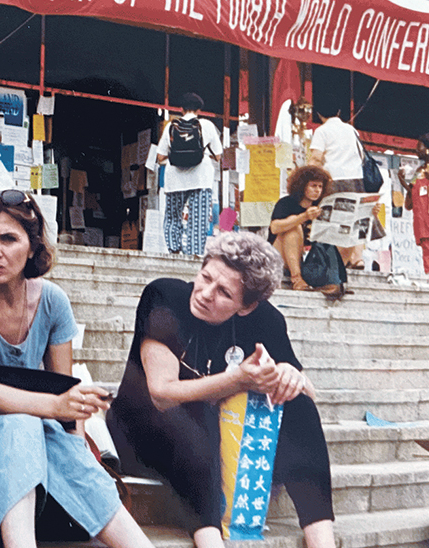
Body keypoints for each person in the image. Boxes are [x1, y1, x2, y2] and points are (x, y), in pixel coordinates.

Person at [0, 188, 154, 548]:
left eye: (9, 239)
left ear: (33, 247)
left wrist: (75, 447)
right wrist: (55, 407)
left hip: (32, 443)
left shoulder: (53, 302)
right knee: (24, 423)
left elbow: (64, 394)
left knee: (50, 435)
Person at [106, 231, 336, 548]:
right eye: (205, 277)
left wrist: (288, 374)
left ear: (247, 306)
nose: (205, 293)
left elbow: (308, 390)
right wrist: (237, 380)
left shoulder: (265, 319)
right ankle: (210, 537)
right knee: (195, 408)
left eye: (224, 293)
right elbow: (161, 393)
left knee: (299, 406)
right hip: (142, 429)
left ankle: (321, 539)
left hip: (219, 436)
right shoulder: (165, 296)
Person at [157, 92, 222, 256]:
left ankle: (174, 249)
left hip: (175, 179)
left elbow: (160, 157)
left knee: (172, 216)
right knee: (198, 218)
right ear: (199, 110)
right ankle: (194, 254)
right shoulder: (206, 125)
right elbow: (218, 156)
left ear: (181, 109)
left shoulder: (171, 126)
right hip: (201, 178)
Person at [308, 93, 365, 268]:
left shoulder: (322, 131)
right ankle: (357, 258)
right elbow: (361, 156)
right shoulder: (351, 130)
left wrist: (306, 175)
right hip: (357, 180)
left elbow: (316, 158)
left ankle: (337, 263)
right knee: (356, 219)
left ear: (318, 114)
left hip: (334, 180)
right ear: (339, 111)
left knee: (335, 222)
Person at [268, 165, 333, 291]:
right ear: (303, 186)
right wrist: (303, 217)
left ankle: (334, 279)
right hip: (279, 256)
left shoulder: (322, 207)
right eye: (313, 186)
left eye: (320, 186)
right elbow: (274, 228)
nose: (317, 190)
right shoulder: (286, 203)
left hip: (309, 257)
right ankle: (297, 279)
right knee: (293, 228)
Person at [398, 133, 429, 274]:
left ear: (427, 149)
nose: (416, 150)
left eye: (419, 146)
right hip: (423, 222)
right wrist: (403, 182)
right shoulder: (419, 171)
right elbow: (412, 195)